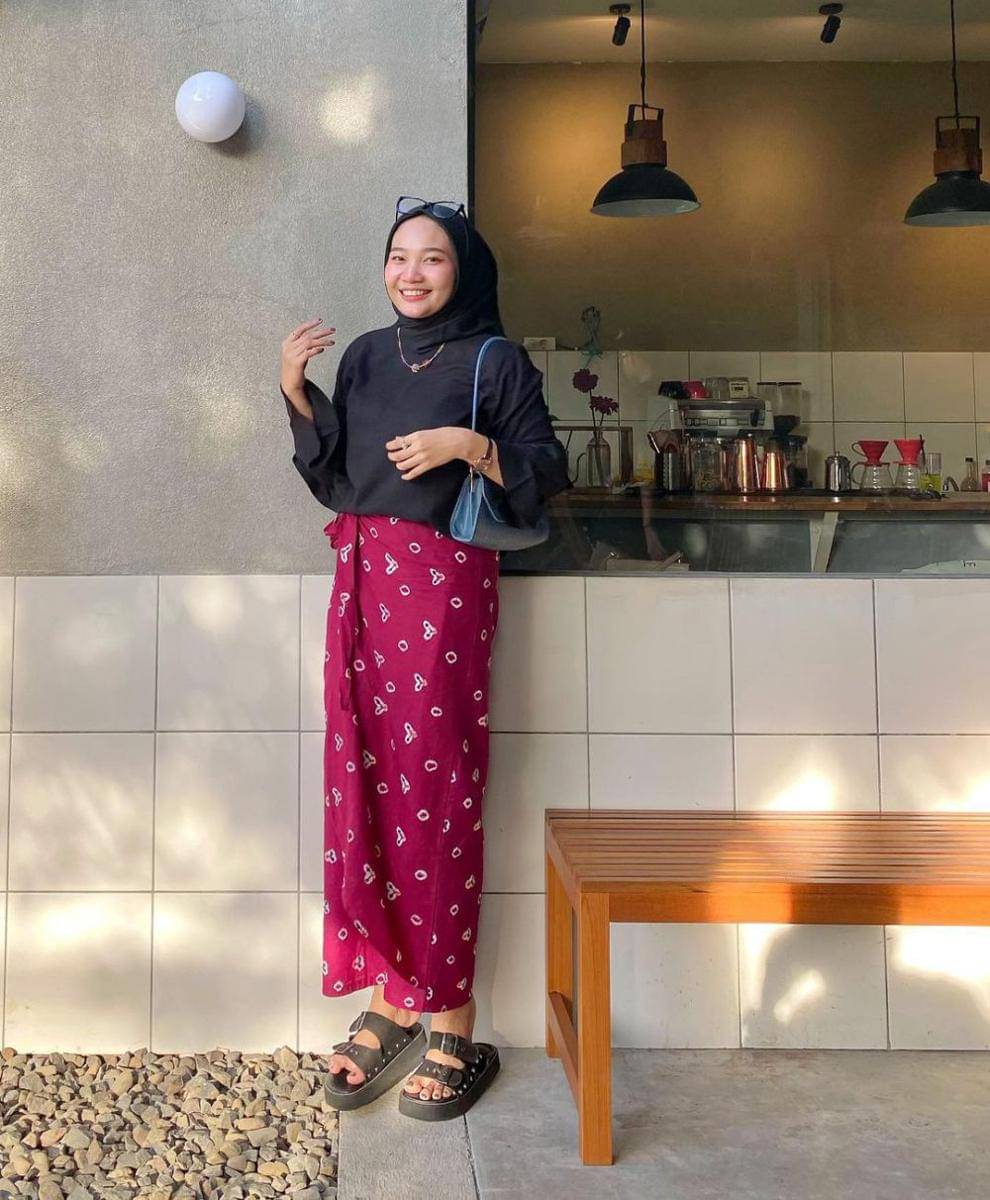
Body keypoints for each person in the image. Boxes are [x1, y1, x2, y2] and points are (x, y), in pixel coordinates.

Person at [279, 198, 572, 1121]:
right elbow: (340, 475)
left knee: (434, 788)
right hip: (363, 578)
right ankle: (389, 998)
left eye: (432, 258)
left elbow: (549, 470)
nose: (411, 273)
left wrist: (469, 445)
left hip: (443, 587)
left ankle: (450, 1013)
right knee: (364, 781)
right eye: (398, 256)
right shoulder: (366, 357)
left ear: (464, 271)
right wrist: (296, 391)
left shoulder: (494, 360)